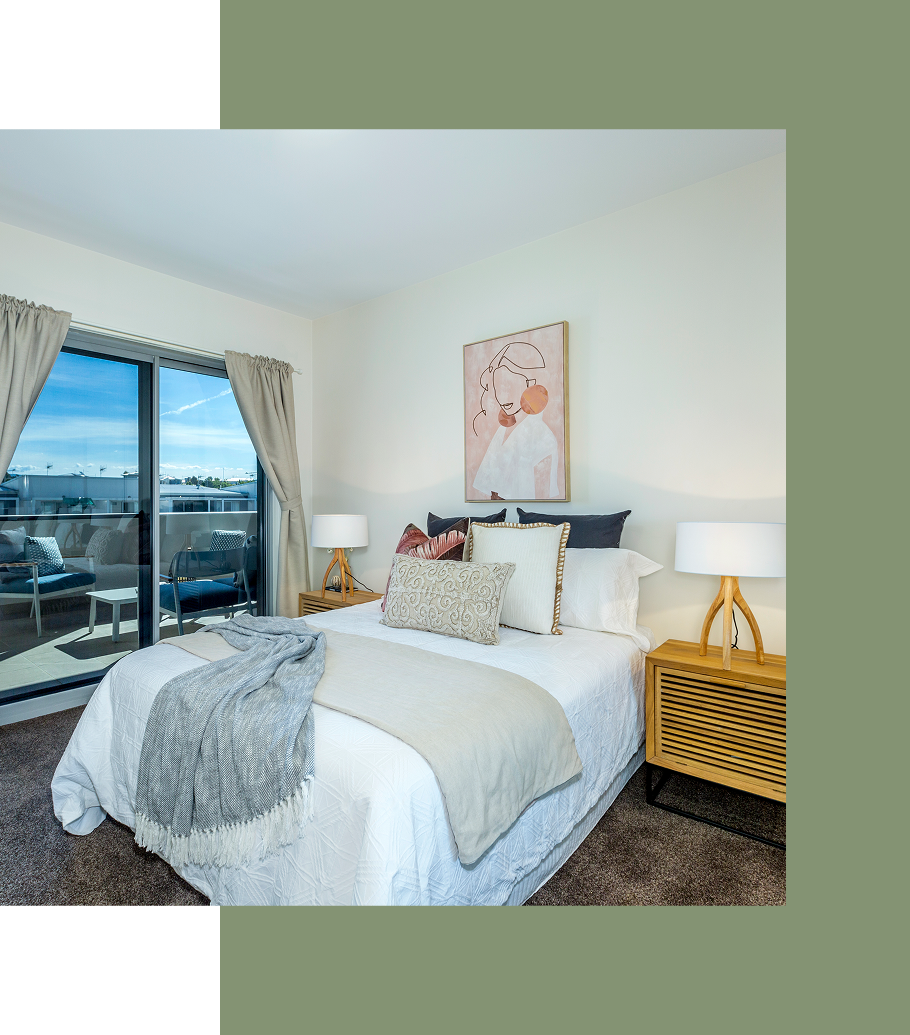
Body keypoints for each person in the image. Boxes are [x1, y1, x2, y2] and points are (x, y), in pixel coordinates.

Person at [471, 342, 559, 499]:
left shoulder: (544, 439)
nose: (502, 395)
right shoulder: (505, 428)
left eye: (509, 385)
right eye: (498, 386)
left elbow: (543, 499)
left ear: (529, 385)